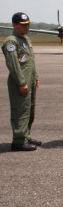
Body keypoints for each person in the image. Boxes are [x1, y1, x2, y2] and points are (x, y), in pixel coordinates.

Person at [2, 12, 41, 151]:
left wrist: (35, 77)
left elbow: (30, 61)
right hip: (20, 82)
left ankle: (26, 136)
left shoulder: (25, 39)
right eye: (23, 25)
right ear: (15, 25)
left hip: (29, 80)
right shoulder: (11, 42)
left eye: (28, 24)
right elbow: (14, 65)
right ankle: (18, 140)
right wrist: (21, 83)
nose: (27, 27)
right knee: (20, 111)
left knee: (29, 109)